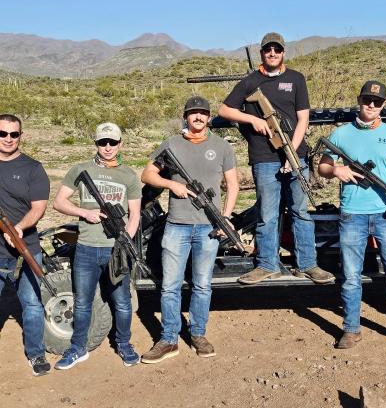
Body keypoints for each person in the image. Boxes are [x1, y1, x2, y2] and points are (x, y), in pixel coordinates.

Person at [217, 32, 333, 285]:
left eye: (277, 50)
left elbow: (303, 118)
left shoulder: (296, 79)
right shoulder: (250, 82)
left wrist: (292, 151)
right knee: (267, 213)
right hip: (264, 157)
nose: (272, 53)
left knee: (300, 211)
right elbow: (224, 110)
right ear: (262, 53)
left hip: (295, 156)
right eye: (268, 50)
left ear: (283, 52)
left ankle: (308, 264)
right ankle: (267, 264)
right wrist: (253, 119)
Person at [317, 81, 386, 349]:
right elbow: (322, 166)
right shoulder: (341, 134)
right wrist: (336, 171)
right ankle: (351, 329)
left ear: (383, 105)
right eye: (367, 100)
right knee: (351, 277)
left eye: (377, 102)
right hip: (352, 214)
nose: (372, 105)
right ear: (359, 100)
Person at [141, 96, 238, 363]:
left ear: (209, 117)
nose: (198, 117)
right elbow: (147, 174)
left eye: (203, 113)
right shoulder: (171, 144)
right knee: (170, 285)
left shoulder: (221, 146)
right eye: (192, 113)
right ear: (185, 117)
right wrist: (172, 185)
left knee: (202, 285)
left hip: (208, 227)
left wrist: (226, 216)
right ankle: (169, 338)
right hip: (177, 226)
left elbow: (233, 184)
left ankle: (198, 334)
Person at [53, 122, 142, 369]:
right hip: (86, 247)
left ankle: (124, 344)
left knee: (122, 301)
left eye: (113, 142)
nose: (108, 147)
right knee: (82, 302)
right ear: (96, 144)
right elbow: (59, 203)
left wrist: (125, 241)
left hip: (116, 250)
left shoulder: (128, 175)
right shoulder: (80, 169)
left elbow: (135, 214)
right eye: (103, 142)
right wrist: (85, 212)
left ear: (120, 143)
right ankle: (77, 348)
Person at [0, 114, 50, 376]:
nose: (8, 139)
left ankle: (36, 353)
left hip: (26, 245)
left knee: (31, 304)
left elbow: (39, 207)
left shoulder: (33, 168)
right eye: (3, 134)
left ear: (21, 136)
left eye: (14, 134)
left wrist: (19, 228)